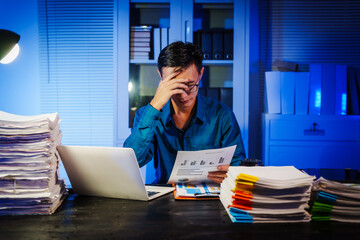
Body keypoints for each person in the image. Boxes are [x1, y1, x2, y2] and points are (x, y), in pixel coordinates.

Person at [124, 41, 246, 184]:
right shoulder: (146, 115)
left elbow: (238, 165)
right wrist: (155, 104)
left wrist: (231, 172)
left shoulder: (222, 115)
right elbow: (131, 162)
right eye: (174, 86)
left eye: (189, 85)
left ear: (200, 74)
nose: (183, 95)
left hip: (210, 198)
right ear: (161, 76)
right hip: (166, 198)